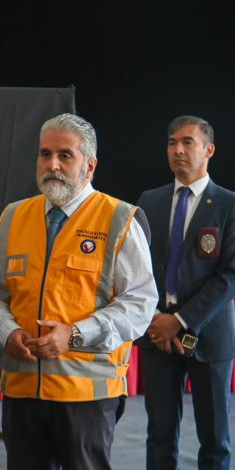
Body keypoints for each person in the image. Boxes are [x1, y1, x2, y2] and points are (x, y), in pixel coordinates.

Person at [0, 113, 158, 469]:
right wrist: (8, 331)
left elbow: (139, 304)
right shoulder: (13, 217)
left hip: (87, 396)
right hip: (22, 391)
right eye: (45, 154)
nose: (52, 165)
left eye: (65, 155)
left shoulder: (118, 219)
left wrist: (74, 334)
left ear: (90, 166)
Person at [136, 115, 235, 470]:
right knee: (159, 435)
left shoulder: (228, 204)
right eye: (171, 143)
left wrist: (178, 321)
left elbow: (229, 276)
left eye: (187, 142)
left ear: (209, 150)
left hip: (208, 336)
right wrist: (155, 319)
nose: (177, 150)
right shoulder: (149, 201)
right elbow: (136, 268)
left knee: (215, 440)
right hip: (157, 336)